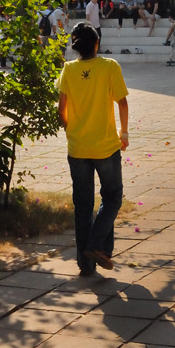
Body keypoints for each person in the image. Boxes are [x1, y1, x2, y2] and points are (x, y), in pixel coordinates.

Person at [57, 22, 129, 276]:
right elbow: (122, 102)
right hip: (106, 146)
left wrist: (73, 131)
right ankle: (97, 245)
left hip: (77, 148)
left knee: (83, 205)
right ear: (96, 44)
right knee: (113, 197)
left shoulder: (68, 70)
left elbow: (61, 110)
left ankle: (86, 263)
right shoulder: (109, 67)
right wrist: (124, 132)